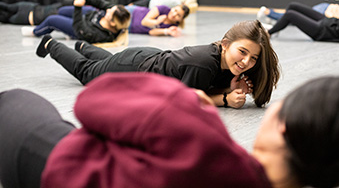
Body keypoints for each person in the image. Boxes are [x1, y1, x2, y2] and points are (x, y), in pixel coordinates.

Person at [1, 73, 339, 188]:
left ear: (283, 124)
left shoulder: (198, 132)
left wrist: (180, 97)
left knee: (14, 101)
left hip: (58, 171)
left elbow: (92, 100)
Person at [35, 20, 280, 108]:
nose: (247, 61)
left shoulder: (220, 60)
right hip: (134, 68)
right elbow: (183, 100)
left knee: (106, 63)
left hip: (147, 57)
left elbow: (199, 88)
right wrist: (224, 99)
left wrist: (228, 87)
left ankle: (84, 48)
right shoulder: (204, 63)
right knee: (87, 74)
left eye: (254, 58)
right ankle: (50, 45)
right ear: (226, 44)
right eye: (242, 52)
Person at [22, 0, 130, 44]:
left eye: (110, 12)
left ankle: (35, 31)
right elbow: (100, 3)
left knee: (52, 20)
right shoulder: (113, 12)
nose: (108, 9)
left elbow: (80, 28)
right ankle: (65, 28)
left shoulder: (100, 35)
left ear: (112, 23)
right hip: (86, 17)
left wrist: (78, 8)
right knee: (62, 11)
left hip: (79, 29)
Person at [267, 1, 339, 43]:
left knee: (290, 15)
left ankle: (269, 33)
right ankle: (280, 26)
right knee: (293, 6)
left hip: (322, 32)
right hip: (326, 22)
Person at [124, 2, 190, 37]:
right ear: (173, 8)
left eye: (178, 15)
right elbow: (144, 22)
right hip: (132, 13)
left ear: (181, 19)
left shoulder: (172, 26)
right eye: (175, 10)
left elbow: (151, 32)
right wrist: (157, 21)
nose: (174, 14)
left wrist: (167, 31)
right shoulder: (163, 9)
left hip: (131, 28)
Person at [0, 0, 74, 25]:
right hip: (28, 18)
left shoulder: (58, 5)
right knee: (6, 18)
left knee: (7, 7)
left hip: (28, 7)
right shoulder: (61, 15)